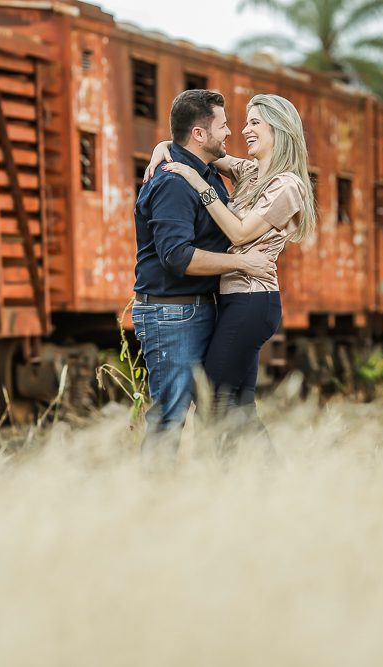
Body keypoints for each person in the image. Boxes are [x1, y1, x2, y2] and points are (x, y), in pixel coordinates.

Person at [143, 93, 317, 446]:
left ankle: (255, 476)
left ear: (279, 130)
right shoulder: (251, 172)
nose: (242, 129)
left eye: (254, 122)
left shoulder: (286, 185)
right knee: (239, 403)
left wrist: (199, 183)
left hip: (254, 301)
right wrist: (163, 145)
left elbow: (238, 233)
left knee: (214, 400)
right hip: (235, 299)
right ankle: (253, 483)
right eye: (243, 122)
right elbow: (195, 145)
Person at [133, 89, 276, 468]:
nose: (230, 132)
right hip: (171, 315)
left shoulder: (207, 170)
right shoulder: (173, 183)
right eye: (223, 125)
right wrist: (242, 263)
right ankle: (149, 506)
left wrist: (165, 142)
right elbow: (176, 257)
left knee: (222, 408)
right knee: (169, 417)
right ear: (199, 134)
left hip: (203, 309)